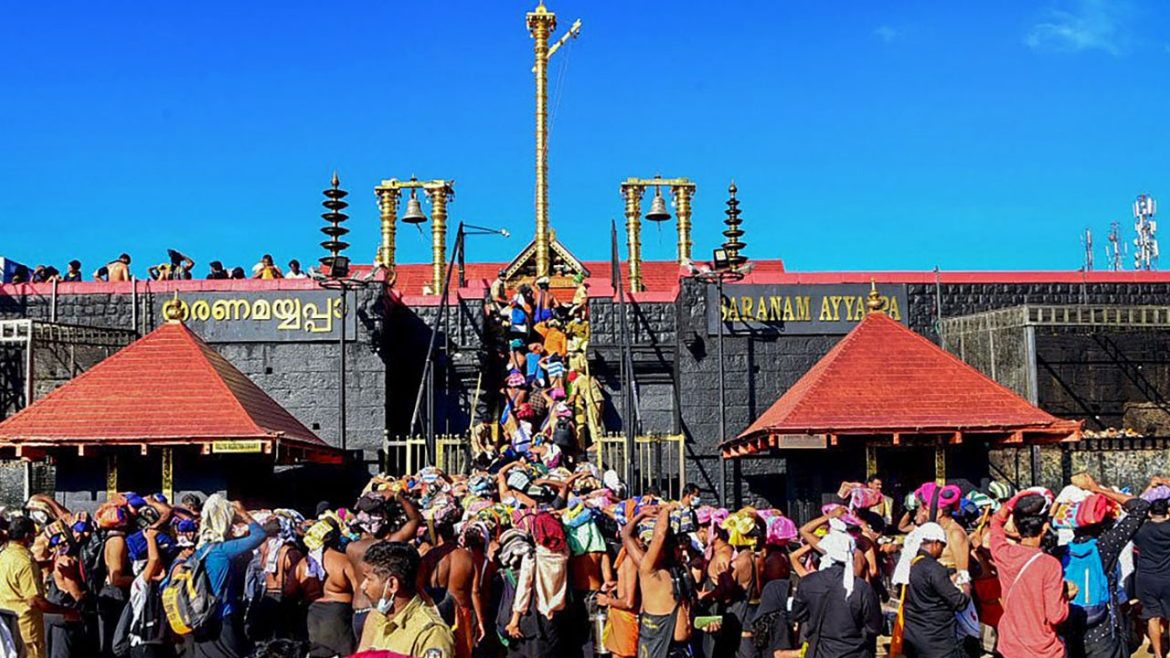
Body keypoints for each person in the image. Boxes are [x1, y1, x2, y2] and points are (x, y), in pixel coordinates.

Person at [1059, 473, 1150, 658]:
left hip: (1069, 629)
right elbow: (1141, 507)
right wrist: (1097, 489)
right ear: (1104, 523)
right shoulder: (1105, 546)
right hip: (1103, 631)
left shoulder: (1060, 551)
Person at [988, 489, 1070, 658]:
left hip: (1010, 646)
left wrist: (1013, 502)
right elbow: (1056, 616)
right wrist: (1066, 596)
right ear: (1045, 528)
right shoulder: (1050, 565)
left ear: (1016, 527)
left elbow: (995, 523)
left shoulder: (1003, 554)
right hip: (1042, 649)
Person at [190, 494, 266, 658]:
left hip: (200, 617)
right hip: (222, 615)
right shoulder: (222, 550)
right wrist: (244, 514)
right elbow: (259, 535)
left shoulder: (198, 552)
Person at [790, 531, 881, 658]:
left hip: (818, 651)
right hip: (854, 652)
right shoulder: (862, 588)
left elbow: (798, 615)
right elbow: (874, 628)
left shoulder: (808, 582)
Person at [356, 541, 455, 657]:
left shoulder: (431, 633)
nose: (363, 587)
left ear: (392, 584)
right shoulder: (377, 619)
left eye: (369, 579)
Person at [346, 490, 421, 643]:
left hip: (358, 612)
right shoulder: (386, 546)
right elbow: (414, 520)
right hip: (378, 611)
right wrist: (398, 496)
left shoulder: (351, 548)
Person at [0, 517, 78, 658]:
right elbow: (35, 601)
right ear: (26, 536)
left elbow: (16, 573)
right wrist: (66, 611)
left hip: (6, 625)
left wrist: (45, 564)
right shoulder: (26, 563)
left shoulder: (5, 555)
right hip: (26, 631)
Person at [623, 506, 691, 658]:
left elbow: (626, 534)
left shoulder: (675, 569)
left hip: (680, 648)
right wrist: (665, 510)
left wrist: (641, 515)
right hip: (659, 647)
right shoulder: (648, 569)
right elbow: (659, 535)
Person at [902, 522, 970, 658]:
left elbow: (927, 588)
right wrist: (966, 587)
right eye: (942, 546)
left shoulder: (914, 564)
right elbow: (960, 602)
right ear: (935, 544)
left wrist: (946, 582)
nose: (942, 551)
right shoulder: (935, 569)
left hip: (914, 636)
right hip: (937, 642)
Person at [296, 517, 359, 658]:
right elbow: (358, 589)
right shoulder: (342, 560)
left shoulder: (302, 564)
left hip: (313, 614)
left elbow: (290, 590)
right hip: (339, 614)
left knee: (319, 653)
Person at [1136, 489, 1170, 658]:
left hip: (1146, 578)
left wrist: (1148, 488)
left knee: (1152, 617)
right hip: (1168, 577)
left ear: (1149, 512)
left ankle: (1158, 654)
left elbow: (1133, 506)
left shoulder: (1140, 529)